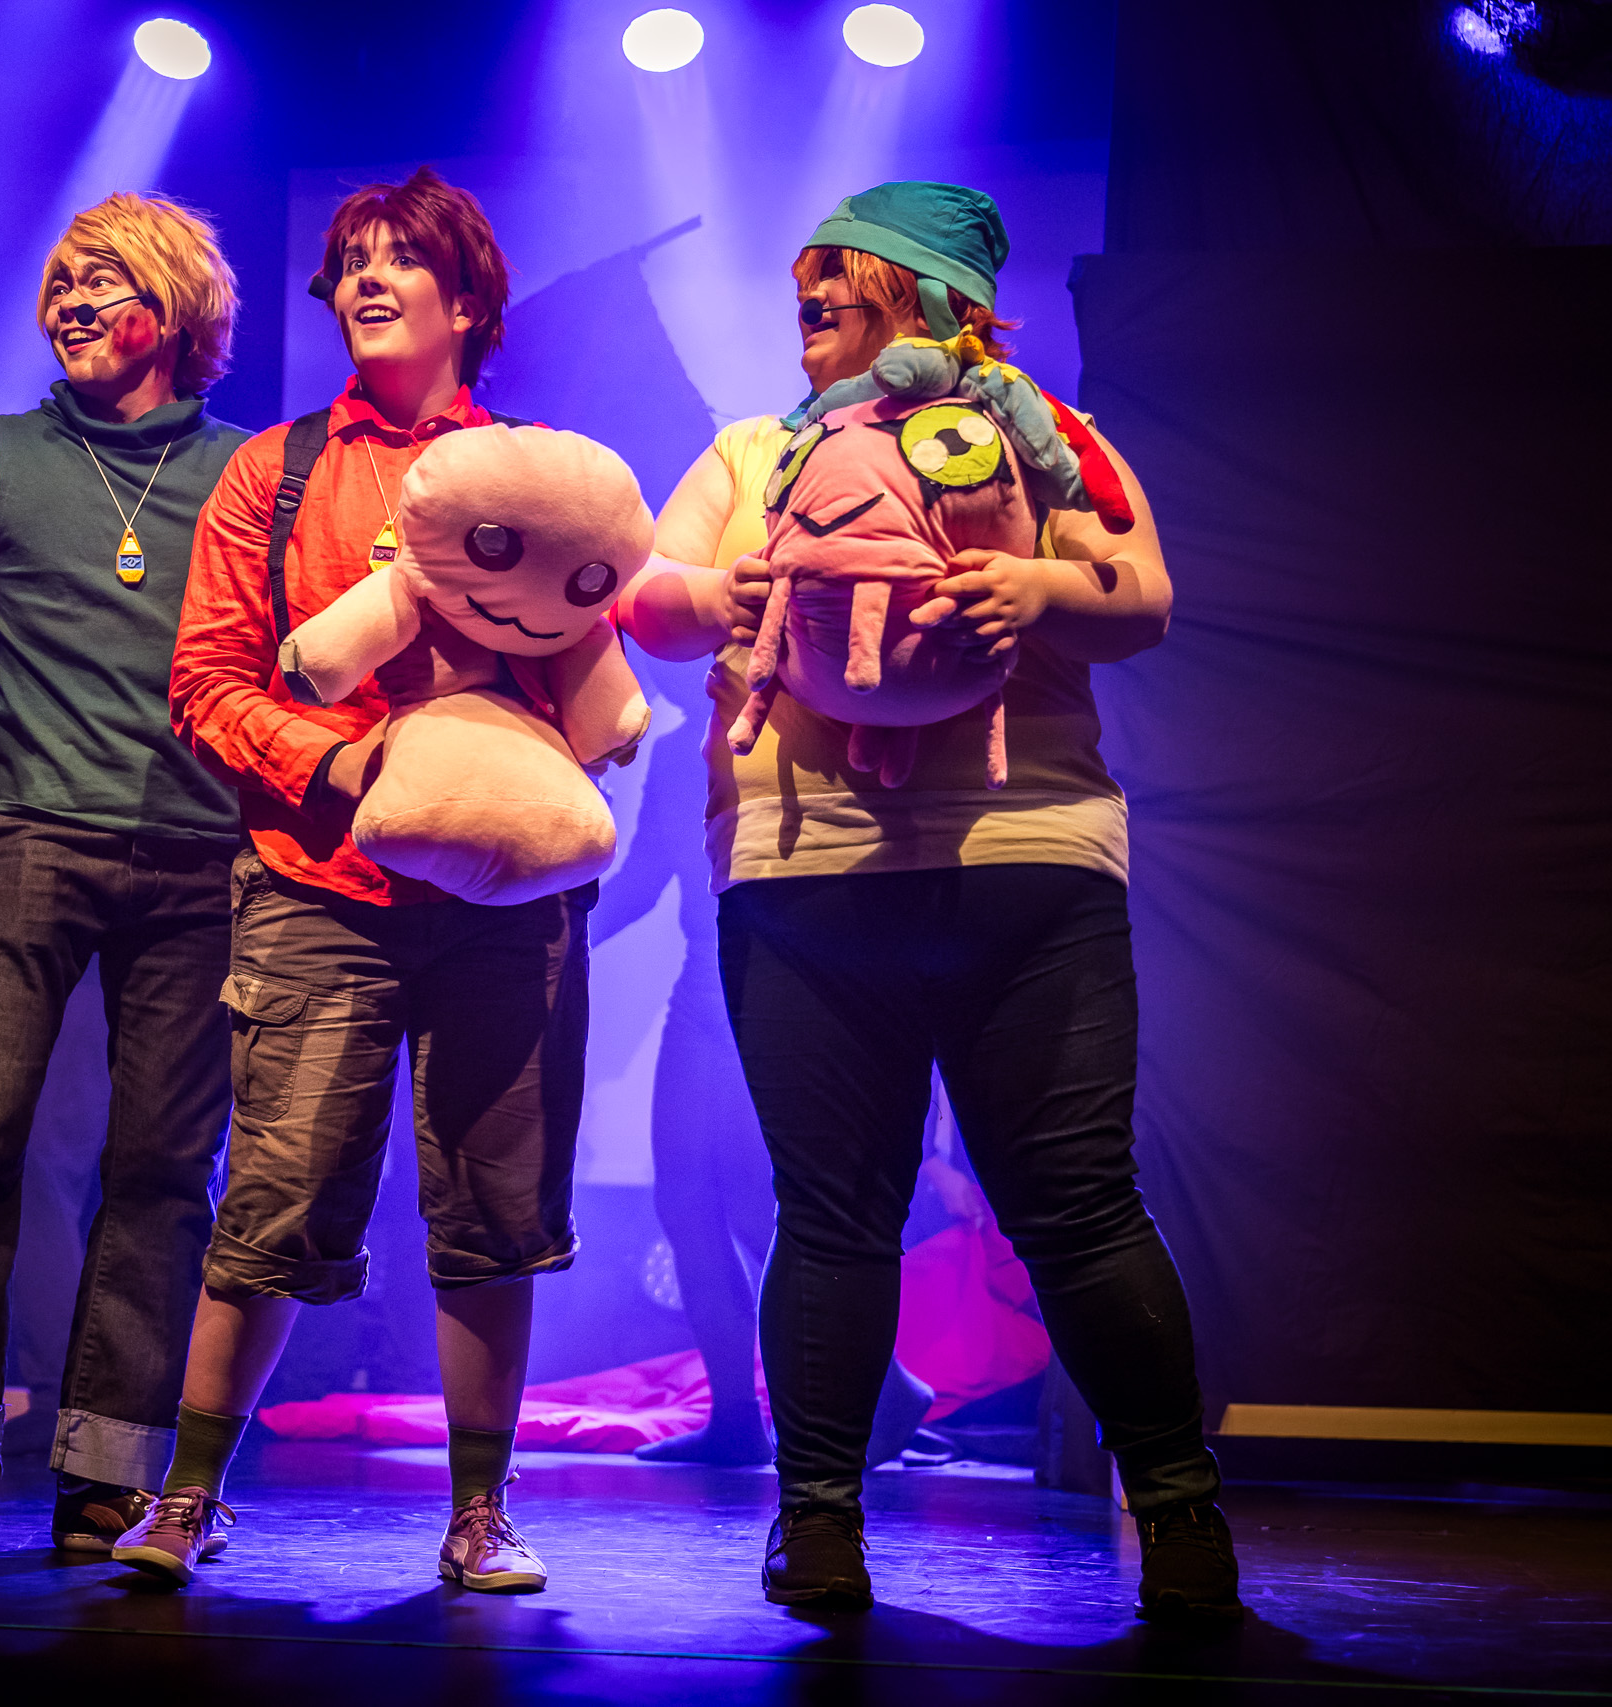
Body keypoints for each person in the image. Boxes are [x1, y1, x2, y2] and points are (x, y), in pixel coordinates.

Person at [619, 182, 1243, 1623]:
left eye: (840, 276)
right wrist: (719, 598)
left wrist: (1039, 588)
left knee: (1075, 1206)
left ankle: (1178, 1510)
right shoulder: (756, 449)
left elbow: (1144, 596)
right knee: (832, 1214)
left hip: (1025, 864)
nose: (810, 299)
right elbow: (645, 595)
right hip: (806, 873)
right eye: (803, 282)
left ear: (925, 295)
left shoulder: (1044, 436)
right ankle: (819, 1519)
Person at [123, 168, 584, 1595]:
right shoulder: (273, 472)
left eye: (400, 259)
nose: (366, 281)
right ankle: (187, 1493)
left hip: (502, 904)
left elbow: (590, 659)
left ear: (470, 301)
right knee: (272, 1200)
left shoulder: (543, 472)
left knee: (493, 1215)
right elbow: (205, 679)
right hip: (314, 885)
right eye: (351, 261)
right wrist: (340, 766)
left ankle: (481, 1512)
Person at [0, 193, 250, 1571]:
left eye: (102, 277)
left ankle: (107, 1474)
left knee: (159, 1167)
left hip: (199, 850)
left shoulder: (249, 474)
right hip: (29, 838)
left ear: (172, 307)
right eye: (60, 276)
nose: (70, 298)